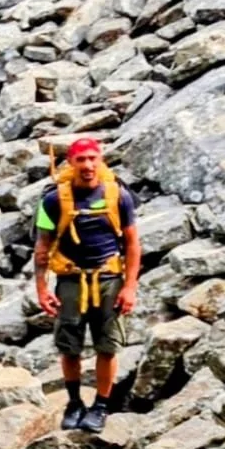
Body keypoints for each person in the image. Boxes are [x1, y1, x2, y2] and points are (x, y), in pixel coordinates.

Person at [33, 137, 141, 433]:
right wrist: (42, 288)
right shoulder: (53, 200)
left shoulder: (118, 195)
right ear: (71, 163)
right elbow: (42, 247)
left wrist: (130, 286)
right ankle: (74, 402)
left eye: (93, 158)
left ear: (101, 160)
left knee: (107, 346)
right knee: (70, 347)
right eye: (81, 159)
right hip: (71, 280)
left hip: (109, 279)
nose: (88, 165)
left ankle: (101, 405)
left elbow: (132, 244)